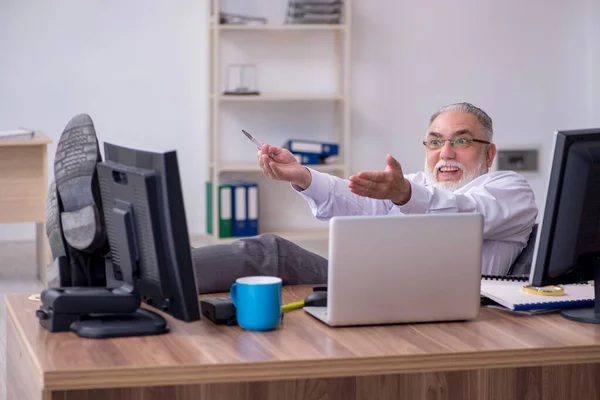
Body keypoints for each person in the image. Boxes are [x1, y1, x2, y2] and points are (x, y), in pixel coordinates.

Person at [45, 102, 538, 293]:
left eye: (461, 140)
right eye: (435, 140)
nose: (444, 151)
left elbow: (466, 216)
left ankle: (111, 273)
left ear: (488, 151)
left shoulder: (508, 190)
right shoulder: (415, 181)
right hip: (386, 287)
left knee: (271, 252)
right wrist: (301, 174)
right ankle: (111, 271)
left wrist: (408, 195)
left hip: (444, 301)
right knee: (265, 267)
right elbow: (356, 201)